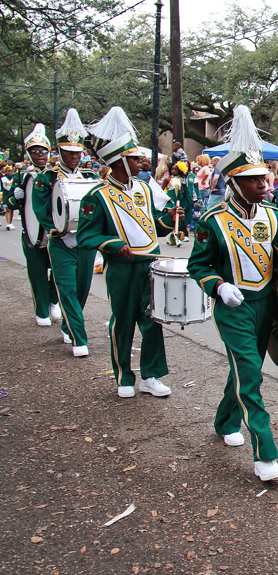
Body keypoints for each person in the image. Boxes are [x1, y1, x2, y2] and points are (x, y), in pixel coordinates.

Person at [188, 105, 278, 482]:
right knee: (250, 375)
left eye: (264, 178)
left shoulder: (274, 216)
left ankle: (224, 419)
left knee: (246, 371)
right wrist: (219, 286)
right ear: (233, 183)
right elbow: (199, 266)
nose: (264, 184)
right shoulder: (212, 222)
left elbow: (277, 262)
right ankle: (265, 455)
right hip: (233, 307)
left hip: (265, 306)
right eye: (254, 180)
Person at [77, 106, 181, 399]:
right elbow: (86, 235)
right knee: (122, 321)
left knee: (152, 321)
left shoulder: (145, 190)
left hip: (150, 264)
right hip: (121, 267)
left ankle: (150, 375)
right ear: (120, 161)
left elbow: (153, 228)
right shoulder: (96, 196)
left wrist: (170, 219)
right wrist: (111, 245)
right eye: (135, 158)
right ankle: (123, 375)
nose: (142, 161)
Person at [31, 108, 99, 356]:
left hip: (84, 243)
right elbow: (40, 209)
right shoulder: (46, 178)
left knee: (81, 290)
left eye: (77, 153)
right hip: (60, 243)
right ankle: (79, 339)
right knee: (67, 291)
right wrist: (54, 228)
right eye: (69, 153)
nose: (74, 157)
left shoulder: (90, 177)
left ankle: (70, 327)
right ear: (59, 152)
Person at [15, 124, 61, 326]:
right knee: (37, 273)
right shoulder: (23, 176)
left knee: (60, 270)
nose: (39, 155)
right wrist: (15, 198)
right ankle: (41, 310)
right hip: (32, 234)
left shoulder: (56, 174)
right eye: (34, 151)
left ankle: (53, 300)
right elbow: (11, 202)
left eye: (43, 151)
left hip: (53, 230)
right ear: (28, 154)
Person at [165, 162, 190, 246]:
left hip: (178, 202)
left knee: (178, 219)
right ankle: (172, 236)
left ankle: (176, 236)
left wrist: (184, 186)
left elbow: (184, 193)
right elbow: (161, 191)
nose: (173, 171)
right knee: (171, 219)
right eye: (172, 169)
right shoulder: (167, 179)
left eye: (175, 169)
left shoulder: (181, 180)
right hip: (170, 202)